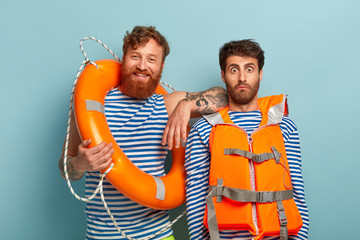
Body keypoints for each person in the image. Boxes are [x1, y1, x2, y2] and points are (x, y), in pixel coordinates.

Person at [58, 26, 228, 240]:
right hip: (103, 235)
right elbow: (66, 169)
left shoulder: (168, 104)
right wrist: (80, 164)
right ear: (123, 59)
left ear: (161, 66)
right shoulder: (92, 105)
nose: (142, 66)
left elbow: (222, 96)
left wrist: (186, 105)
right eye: (135, 56)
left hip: (158, 234)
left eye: (151, 59)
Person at [185, 39, 309, 239]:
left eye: (249, 69)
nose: (242, 77)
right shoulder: (203, 129)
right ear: (223, 76)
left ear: (260, 74)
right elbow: (195, 196)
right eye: (234, 70)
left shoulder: (284, 126)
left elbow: (297, 193)